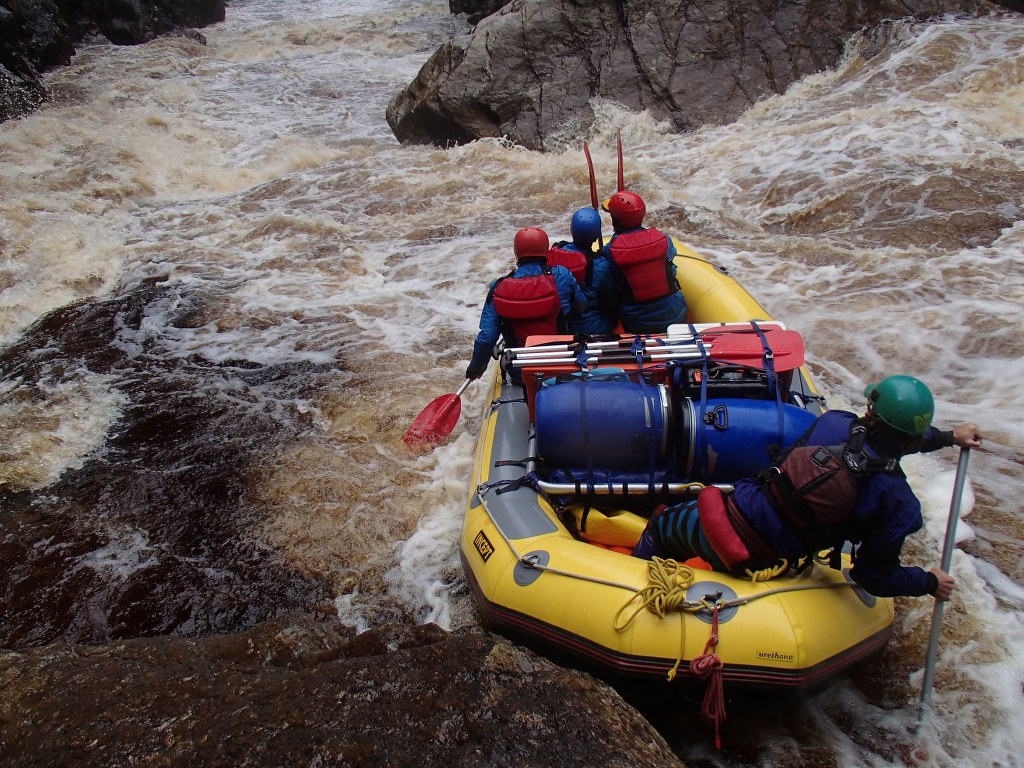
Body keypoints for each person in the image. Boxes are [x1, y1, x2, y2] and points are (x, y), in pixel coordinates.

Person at [632, 375, 984, 600]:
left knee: (660, 528)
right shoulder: (900, 504)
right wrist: (928, 582)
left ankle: (631, 580)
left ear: (870, 410)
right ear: (913, 437)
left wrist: (946, 437)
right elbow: (873, 576)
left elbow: (884, 438)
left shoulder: (833, 423)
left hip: (718, 519)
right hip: (766, 561)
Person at [465, 227, 583, 383]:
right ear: (545, 250)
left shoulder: (498, 287)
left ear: (517, 253)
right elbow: (580, 309)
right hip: (561, 366)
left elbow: (487, 339)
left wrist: (476, 369)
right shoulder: (563, 275)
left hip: (520, 373)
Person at [601, 190, 687, 334]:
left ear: (614, 220)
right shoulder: (664, 240)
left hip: (637, 323)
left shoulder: (610, 250)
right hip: (675, 315)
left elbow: (606, 285)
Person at [546, 207, 617, 335]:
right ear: (596, 237)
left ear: (571, 230)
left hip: (564, 326)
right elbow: (610, 298)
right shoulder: (602, 266)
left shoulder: (556, 252)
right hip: (594, 327)